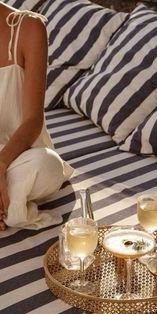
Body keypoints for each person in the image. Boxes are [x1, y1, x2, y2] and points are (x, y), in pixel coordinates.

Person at [0, 2, 74, 230]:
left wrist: (1, 165)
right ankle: (9, 206)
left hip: (20, 155)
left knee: (48, 165)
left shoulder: (29, 28)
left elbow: (33, 121)